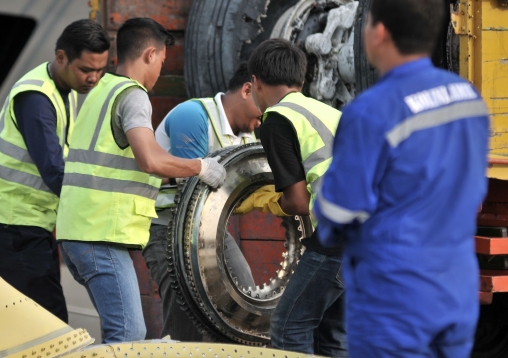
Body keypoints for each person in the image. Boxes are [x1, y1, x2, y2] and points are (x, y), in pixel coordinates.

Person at [313, 0, 490, 356]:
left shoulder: (372, 111)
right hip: (455, 287)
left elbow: (338, 213)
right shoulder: (468, 99)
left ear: (378, 33)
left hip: (395, 302)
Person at [55, 18, 226, 344]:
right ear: (150, 54)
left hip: (80, 231)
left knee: (119, 335)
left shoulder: (99, 90)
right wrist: (200, 166)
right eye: (162, 61)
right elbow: (149, 159)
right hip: (98, 236)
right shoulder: (134, 96)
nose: (161, 70)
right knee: (128, 335)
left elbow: (117, 166)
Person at [0, 19, 110, 323]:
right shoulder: (36, 99)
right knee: (47, 322)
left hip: (28, 222)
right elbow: (54, 172)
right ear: (61, 57)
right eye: (86, 70)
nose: (94, 79)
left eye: (100, 70)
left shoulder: (66, 88)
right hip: (11, 224)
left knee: (28, 322)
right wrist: (109, 205)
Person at [236, 38, 347, 357]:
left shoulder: (278, 120)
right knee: (334, 334)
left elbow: (297, 202)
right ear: (301, 79)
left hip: (338, 236)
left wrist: (265, 200)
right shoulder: (327, 111)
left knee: (288, 325)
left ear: (255, 82)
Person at [143, 62, 261, 341]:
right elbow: (190, 193)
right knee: (186, 316)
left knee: (244, 301)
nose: (262, 118)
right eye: (263, 106)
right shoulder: (193, 114)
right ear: (247, 90)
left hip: (209, 227)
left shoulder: (247, 134)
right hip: (166, 227)